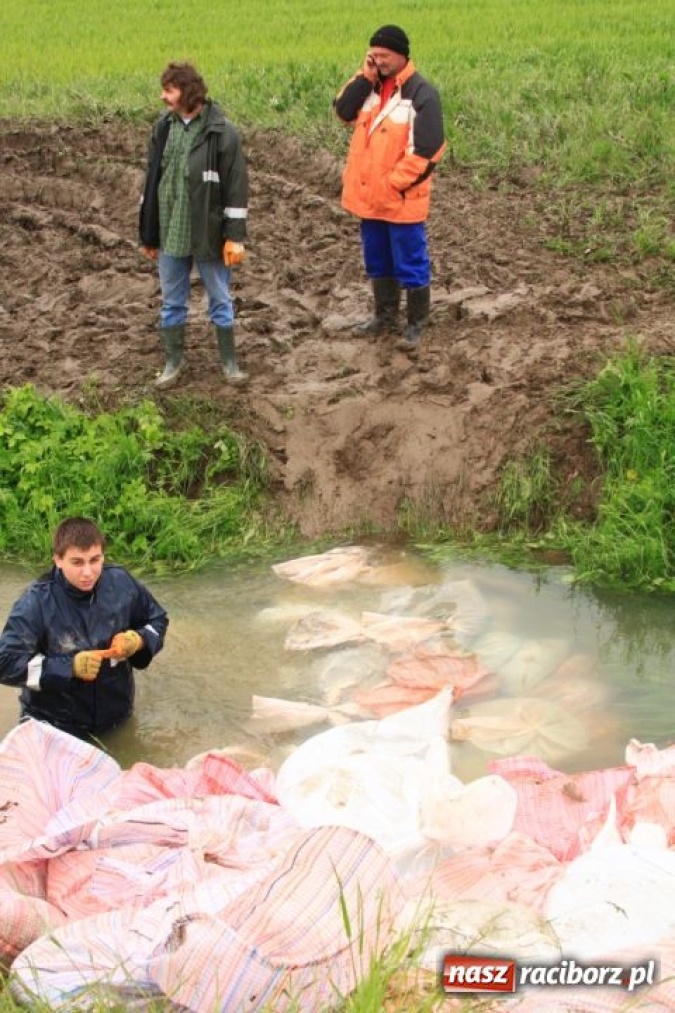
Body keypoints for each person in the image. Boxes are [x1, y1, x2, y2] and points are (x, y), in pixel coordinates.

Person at [0, 517, 168, 740]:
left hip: (116, 719)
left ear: (103, 556)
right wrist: (69, 667)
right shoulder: (35, 603)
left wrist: (138, 640)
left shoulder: (122, 583)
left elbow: (158, 619)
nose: (88, 572)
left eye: (95, 560)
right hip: (54, 728)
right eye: (77, 562)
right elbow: (6, 663)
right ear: (58, 560)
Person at [334, 25, 445, 352]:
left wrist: (391, 186)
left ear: (401, 55)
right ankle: (384, 317)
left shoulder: (422, 94)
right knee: (378, 260)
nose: (378, 61)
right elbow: (342, 111)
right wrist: (365, 75)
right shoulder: (370, 87)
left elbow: (427, 152)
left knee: (410, 261)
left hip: (400, 200)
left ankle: (416, 323)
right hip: (370, 200)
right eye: (374, 55)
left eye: (383, 56)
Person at [139, 61, 249, 387]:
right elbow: (151, 181)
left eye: (169, 90)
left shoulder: (222, 132)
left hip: (209, 233)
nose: (162, 97)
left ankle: (230, 364)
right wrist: (148, 233)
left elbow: (236, 187)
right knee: (172, 301)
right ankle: (173, 363)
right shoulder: (163, 128)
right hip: (170, 228)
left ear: (187, 93)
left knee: (220, 298)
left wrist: (235, 237)